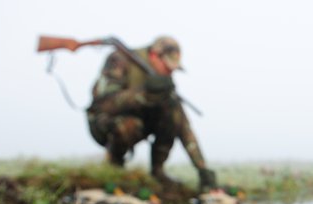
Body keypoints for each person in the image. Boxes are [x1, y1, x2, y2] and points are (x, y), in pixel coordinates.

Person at [86, 36, 217, 190]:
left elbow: (183, 126)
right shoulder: (120, 59)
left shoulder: (163, 82)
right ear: (154, 56)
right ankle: (114, 166)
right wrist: (145, 94)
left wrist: (201, 167)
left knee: (172, 113)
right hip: (104, 123)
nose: (169, 73)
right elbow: (103, 105)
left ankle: (158, 172)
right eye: (167, 67)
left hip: (139, 122)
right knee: (129, 125)